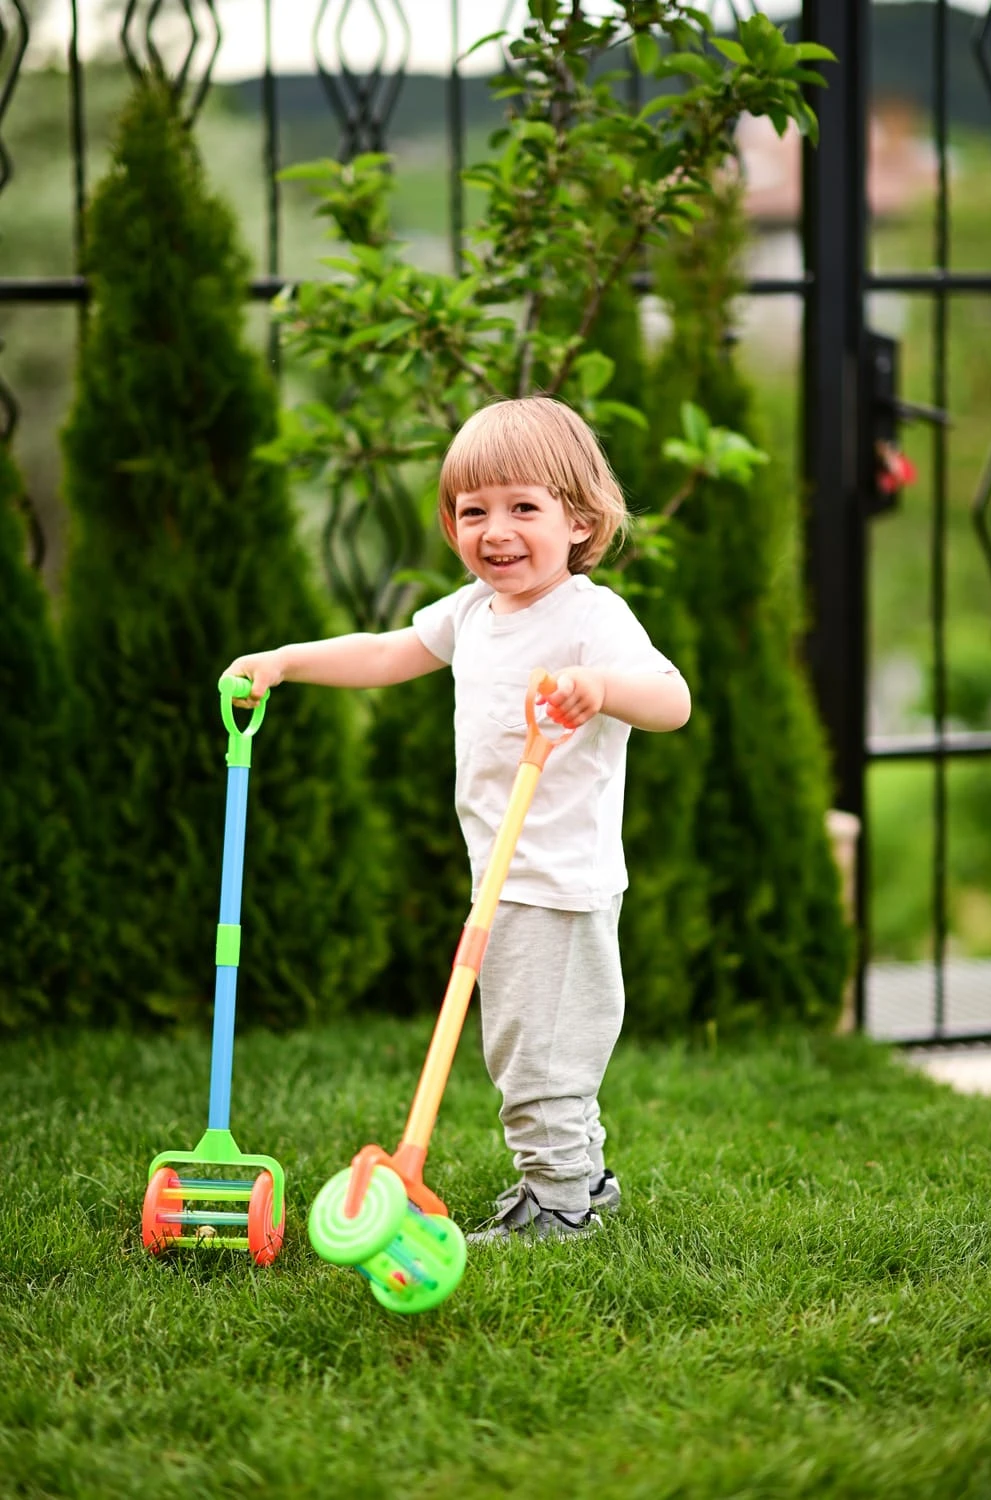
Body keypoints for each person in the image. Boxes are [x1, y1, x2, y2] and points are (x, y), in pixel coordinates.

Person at [224, 396, 691, 1243]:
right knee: (533, 1040)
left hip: (557, 882)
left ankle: (559, 1203)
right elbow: (385, 651)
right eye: (474, 511)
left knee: (536, 1053)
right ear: (451, 525)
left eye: (524, 508)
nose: (496, 531)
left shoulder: (591, 617)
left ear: (580, 522)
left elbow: (672, 700)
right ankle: (583, 1179)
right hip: (503, 876)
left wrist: (599, 688)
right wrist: (286, 661)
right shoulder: (473, 610)